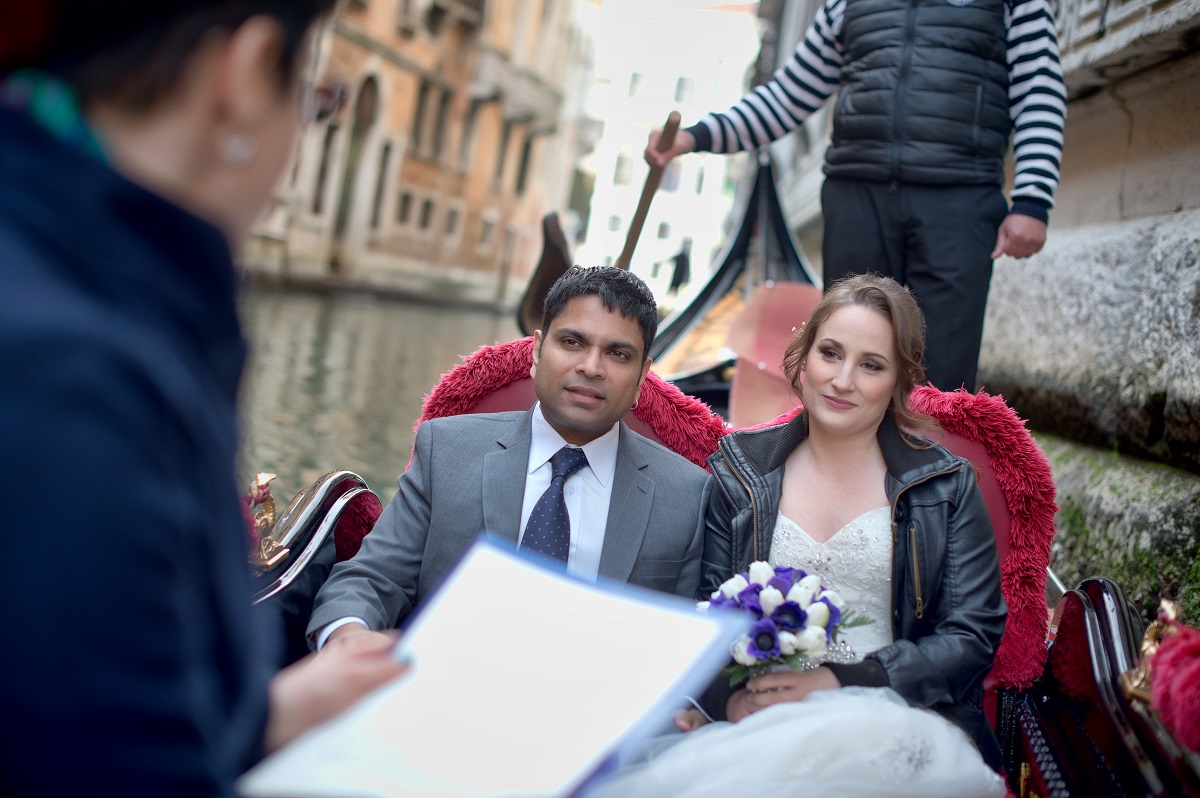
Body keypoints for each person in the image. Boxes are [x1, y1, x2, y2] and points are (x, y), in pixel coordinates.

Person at [0, 3, 406, 796]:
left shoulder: (61, 284)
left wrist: (264, 713)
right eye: (312, 102)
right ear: (245, 74)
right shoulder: (77, 376)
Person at [589, 274, 1007, 797]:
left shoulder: (944, 485)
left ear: (899, 381)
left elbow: (972, 636)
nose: (843, 380)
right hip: (762, 715)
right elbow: (704, 613)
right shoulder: (739, 472)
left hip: (901, 712)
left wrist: (840, 680)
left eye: (871, 365)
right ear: (803, 360)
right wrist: (726, 702)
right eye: (830, 353)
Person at [645, 0, 1066, 392]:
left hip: (958, 202)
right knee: (845, 362)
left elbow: (1039, 89)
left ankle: (931, 471)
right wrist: (692, 137)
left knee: (942, 375)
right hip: (856, 199)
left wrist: (1033, 198)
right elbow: (788, 96)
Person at [308, 266, 713, 651]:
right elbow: (371, 578)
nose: (591, 367)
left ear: (643, 375)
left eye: (618, 354)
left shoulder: (687, 495)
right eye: (572, 342)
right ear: (537, 351)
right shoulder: (445, 450)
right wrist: (348, 635)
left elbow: (685, 640)